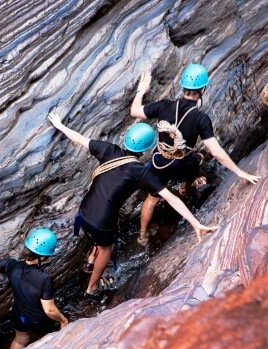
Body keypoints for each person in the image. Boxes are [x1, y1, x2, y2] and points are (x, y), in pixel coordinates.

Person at [48, 113, 218, 298]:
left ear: (126, 139)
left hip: (84, 212)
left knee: (98, 234)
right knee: (107, 248)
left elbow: (79, 139)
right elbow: (171, 198)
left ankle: (90, 260)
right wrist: (195, 223)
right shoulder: (140, 172)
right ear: (145, 150)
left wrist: (60, 125)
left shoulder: (108, 150)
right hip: (102, 222)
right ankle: (92, 288)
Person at [131, 63, 260, 245]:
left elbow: (134, 111)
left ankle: (142, 235)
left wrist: (141, 91)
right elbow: (215, 151)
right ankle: (185, 188)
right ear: (203, 89)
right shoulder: (200, 118)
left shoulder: (164, 106)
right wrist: (239, 172)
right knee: (198, 159)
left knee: (151, 199)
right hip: (182, 163)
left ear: (183, 86)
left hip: (159, 161)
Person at [0, 228, 68, 349]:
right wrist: (63, 320)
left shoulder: (11, 265)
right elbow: (49, 310)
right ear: (44, 257)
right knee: (46, 339)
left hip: (18, 315)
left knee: (19, 341)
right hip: (36, 320)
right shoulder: (44, 279)